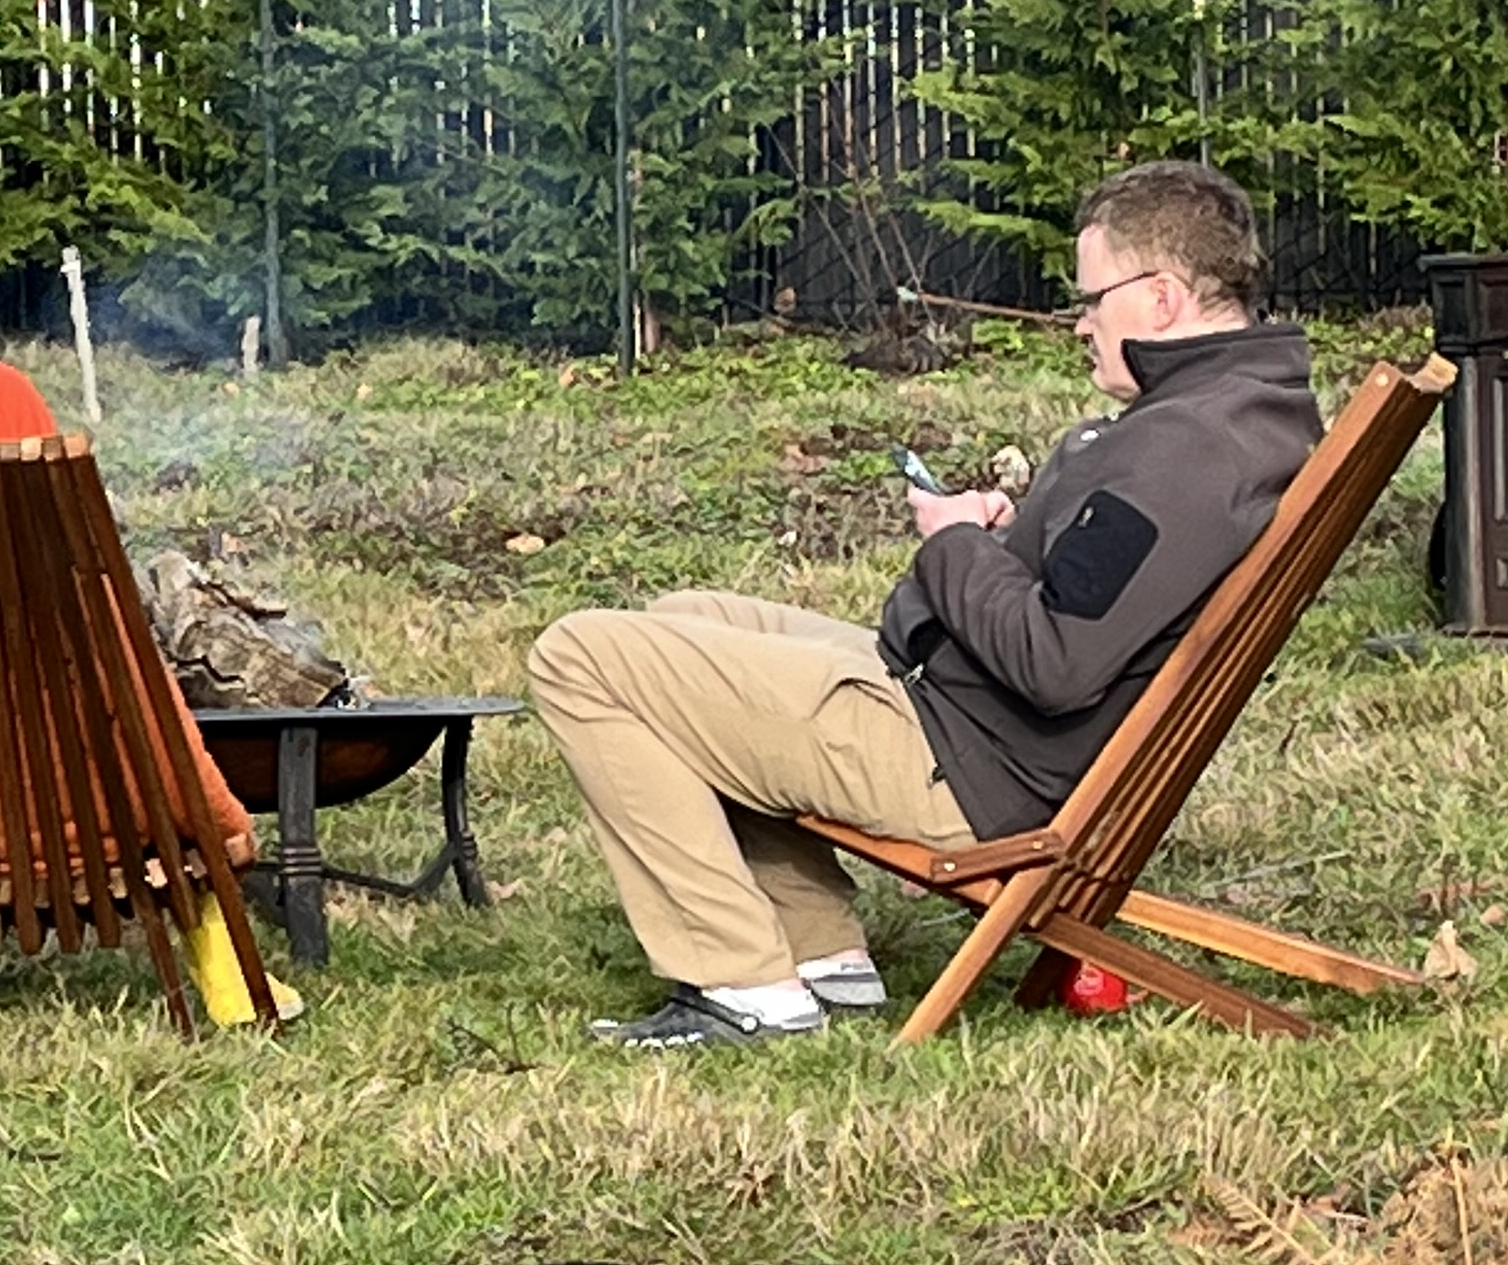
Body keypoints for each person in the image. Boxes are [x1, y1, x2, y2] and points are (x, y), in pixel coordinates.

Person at [527, 161, 1322, 1049]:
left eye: (1093, 297)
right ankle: (822, 952)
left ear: (1163, 298)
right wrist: (1008, 540)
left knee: (581, 656)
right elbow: (1101, 592)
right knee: (685, 618)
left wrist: (952, 540)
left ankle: (741, 983)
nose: (1080, 320)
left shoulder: (1185, 451)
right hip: (971, 715)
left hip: (971, 763)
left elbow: (1055, 662)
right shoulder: (1241, 411)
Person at [0, 355, 302, 1027]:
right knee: (187, 851)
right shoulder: (85, 602)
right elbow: (157, 741)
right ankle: (234, 988)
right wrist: (221, 826)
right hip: (96, 846)